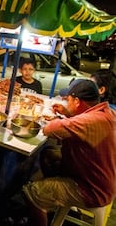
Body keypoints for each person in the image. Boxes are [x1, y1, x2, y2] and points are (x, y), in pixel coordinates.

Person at [23, 79, 116, 226]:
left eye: (69, 100)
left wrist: (63, 119)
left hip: (91, 189)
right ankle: (52, 200)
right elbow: (85, 125)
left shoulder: (91, 121)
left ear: (77, 101)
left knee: (32, 192)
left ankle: (43, 201)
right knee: (49, 154)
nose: (67, 102)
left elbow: (49, 130)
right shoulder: (106, 112)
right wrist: (68, 114)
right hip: (100, 178)